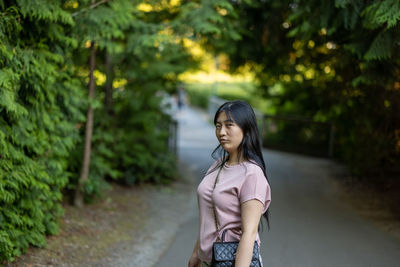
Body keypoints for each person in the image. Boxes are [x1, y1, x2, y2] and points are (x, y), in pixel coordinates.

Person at [188, 100, 271, 267]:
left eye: (229, 125)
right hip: (208, 261)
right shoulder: (217, 165)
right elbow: (208, 215)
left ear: (246, 129)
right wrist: (196, 254)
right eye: (218, 126)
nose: (221, 132)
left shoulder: (251, 174)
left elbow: (249, 232)